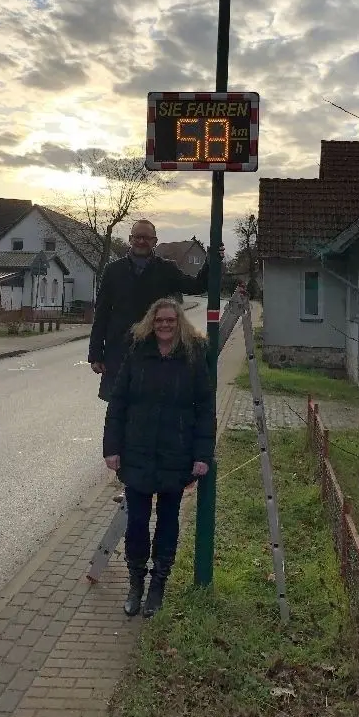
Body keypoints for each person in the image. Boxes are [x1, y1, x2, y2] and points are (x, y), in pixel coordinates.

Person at [102, 297, 215, 618]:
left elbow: (205, 408)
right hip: (136, 452)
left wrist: (201, 454)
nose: (164, 325)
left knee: (168, 521)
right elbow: (118, 402)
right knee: (137, 523)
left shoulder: (193, 356)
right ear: (151, 323)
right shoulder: (138, 353)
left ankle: (157, 587)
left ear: (179, 322)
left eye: (170, 320)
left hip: (175, 454)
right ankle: (135, 583)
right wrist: (112, 448)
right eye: (159, 320)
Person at [88, 219, 221, 401]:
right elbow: (101, 313)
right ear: (130, 239)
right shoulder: (113, 271)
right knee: (118, 410)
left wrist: (211, 261)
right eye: (137, 237)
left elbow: (197, 286)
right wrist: (95, 354)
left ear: (155, 241)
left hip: (156, 351)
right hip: (119, 350)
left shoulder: (166, 269)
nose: (141, 241)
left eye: (147, 238)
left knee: (150, 407)